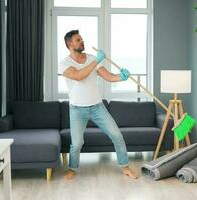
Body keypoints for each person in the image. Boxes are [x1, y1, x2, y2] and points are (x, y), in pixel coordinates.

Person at [59, 30, 138, 180]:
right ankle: (72, 168)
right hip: (77, 109)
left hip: (97, 107)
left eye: (82, 39)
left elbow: (107, 76)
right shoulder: (65, 63)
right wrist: (95, 61)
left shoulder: (92, 58)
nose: (82, 41)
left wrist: (121, 77)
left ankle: (125, 167)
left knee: (117, 135)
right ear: (70, 43)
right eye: (78, 40)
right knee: (76, 143)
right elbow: (78, 76)